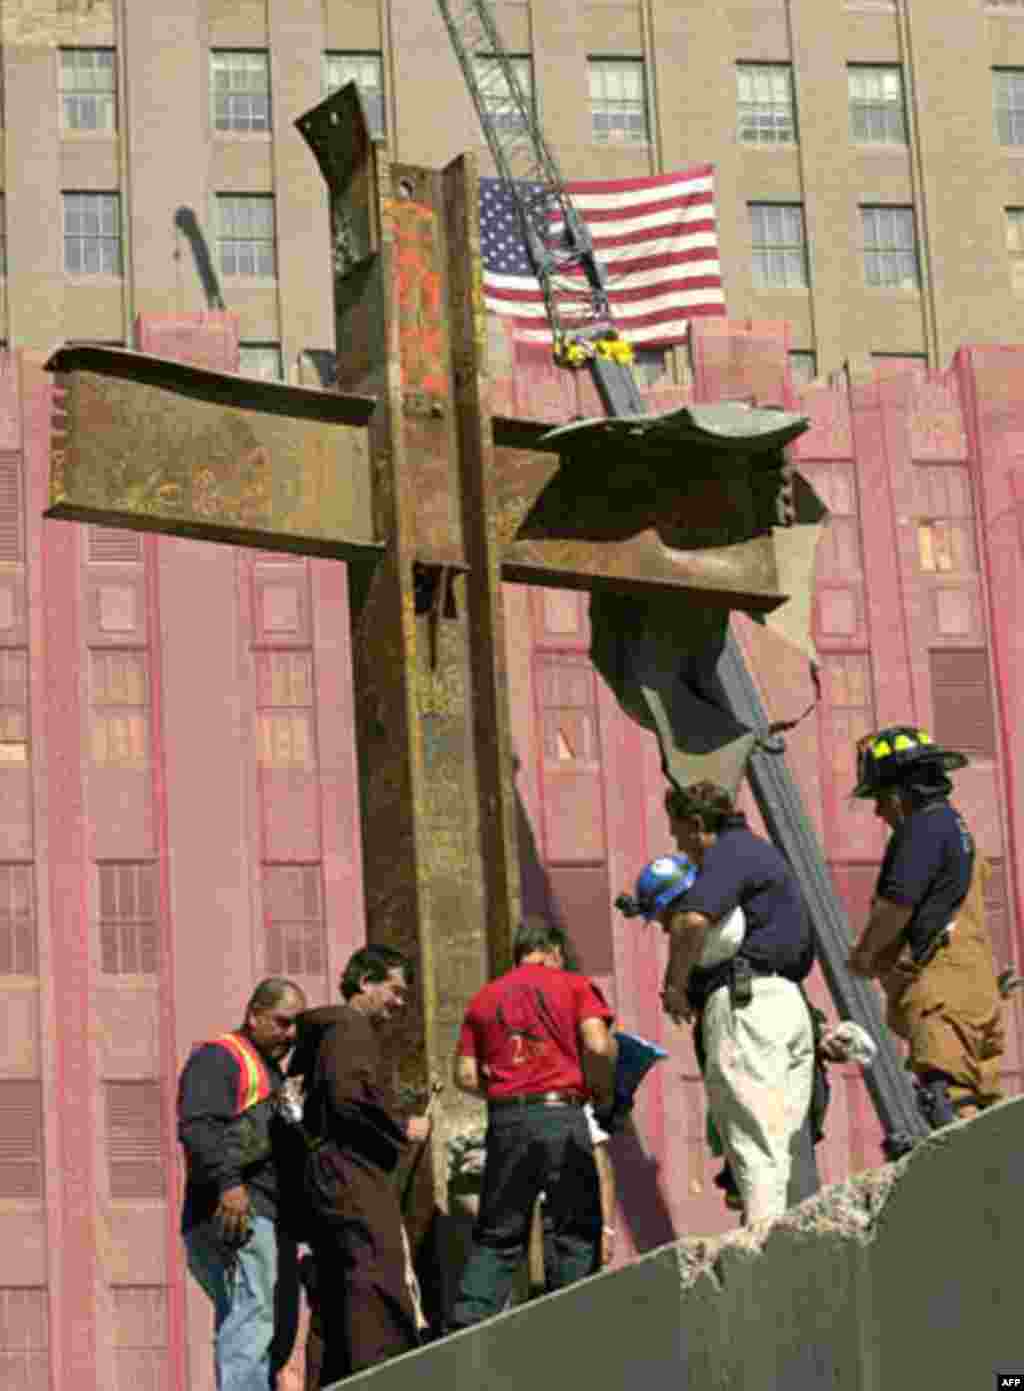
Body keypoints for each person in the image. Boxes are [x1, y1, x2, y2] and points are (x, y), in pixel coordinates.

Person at [658, 781, 816, 1226]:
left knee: (753, 1144)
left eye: (679, 835)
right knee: (778, 1143)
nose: (681, 847)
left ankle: (763, 1253)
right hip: (788, 1004)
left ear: (696, 824)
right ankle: (778, 1235)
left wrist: (675, 984)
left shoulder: (728, 852)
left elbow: (692, 921)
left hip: (750, 1006)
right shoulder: (762, 852)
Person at [451, 917, 618, 1328]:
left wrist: (509, 1093)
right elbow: (597, 1044)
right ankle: (571, 1326)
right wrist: (604, 1087)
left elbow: (466, 1075)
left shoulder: (484, 998)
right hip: (561, 1114)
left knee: (498, 1232)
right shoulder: (575, 985)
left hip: (507, 1120)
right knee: (574, 1228)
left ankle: (467, 1326)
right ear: (555, 952)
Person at [287, 945, 431, 1388]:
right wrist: (403, 1125)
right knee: (378, 1270)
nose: (400, 1002)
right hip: (351, 1171)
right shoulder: (351, 1029)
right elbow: (350, 1098)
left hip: (327, 1173)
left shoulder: (330, 1034)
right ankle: (380, 1376)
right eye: (394, 989)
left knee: (337, 1283)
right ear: (364, 983)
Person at [847, 726, 1004, 1126]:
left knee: (948, 1103)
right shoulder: (955, 826)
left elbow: (897, 905)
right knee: (980, 1107)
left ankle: (968, 1187)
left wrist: (865, 956)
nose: (878, 812)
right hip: (974, 987)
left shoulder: (920, 830)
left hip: (940, 987)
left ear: (899, 795)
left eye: (879, 799)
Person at [178, 976, 307, 1391]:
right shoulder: (223, 1057)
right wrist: (230, 1186)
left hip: (248, 1211)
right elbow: (198, 1128)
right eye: (282, 1022)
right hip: (237, 1211)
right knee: (252, 1317)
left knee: (247, 1317)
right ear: (254, 1016)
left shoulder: (264, 1067)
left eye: (296, 1025)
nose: (291, 1034)